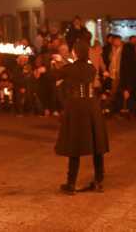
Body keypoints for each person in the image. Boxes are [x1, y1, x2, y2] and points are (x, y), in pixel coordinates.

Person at [50, 40, 109, 195]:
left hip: (76, 106)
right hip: (92, 105)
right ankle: (98, 181)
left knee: (74, 143)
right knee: (97, 144)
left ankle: (71, 184)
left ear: (75, 52)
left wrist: (54, 63)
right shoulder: (91, 68)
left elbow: (56, 75)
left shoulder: (69, 68)